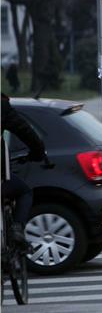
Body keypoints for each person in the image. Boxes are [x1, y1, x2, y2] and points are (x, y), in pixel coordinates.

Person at [1, 93, 46, 245]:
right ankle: (17, 229)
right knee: (24, 192)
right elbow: (27, 133)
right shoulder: (3, 106)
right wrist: (38, 153)